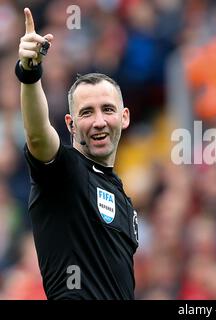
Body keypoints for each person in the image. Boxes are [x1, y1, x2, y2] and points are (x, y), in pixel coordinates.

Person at [15, 8, 139, 300]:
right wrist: (30, 73)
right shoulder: (64, 171)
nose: (98, 121)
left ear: (124, 117)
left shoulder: (123, 199)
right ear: (70, 124)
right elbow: (37, 134)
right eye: (86, 112)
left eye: (107, 109)